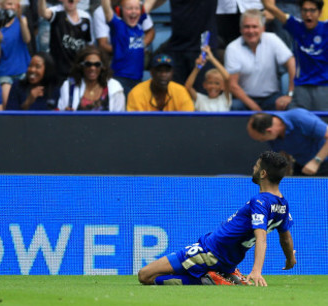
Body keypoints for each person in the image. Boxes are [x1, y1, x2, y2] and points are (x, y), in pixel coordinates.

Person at [138, 151, 296, 286]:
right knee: (154, 275)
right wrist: (290, 259)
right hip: (227, 258)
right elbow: (286, 238)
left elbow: (261, 238)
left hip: (209, 252)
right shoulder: (282, 204)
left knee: (145, 275)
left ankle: (209, 280)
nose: (253, 168)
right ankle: (221, 274)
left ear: (263, 173)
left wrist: (256, 271)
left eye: (256, 165)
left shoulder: (260, 201)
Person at [247, 0, 328, 111]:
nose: (308, 15)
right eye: (304, 11)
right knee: (299, 125)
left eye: (312, 11)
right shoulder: (296, 26)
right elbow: (269, 6)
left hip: (324, 87)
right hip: (302, 87)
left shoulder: (326, 28)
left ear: (319, 12)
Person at [223, 8, 295, 111]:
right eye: (246, 27)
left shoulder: (272, 39)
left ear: (263, 28)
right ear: (240, 29)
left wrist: (290, 94)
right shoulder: (233, 48)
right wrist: (256, 109)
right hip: (245, 100)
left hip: (271, 97)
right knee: (234, 106)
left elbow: (292, 62)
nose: (251, 31)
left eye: (254, 27)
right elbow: (233, 85)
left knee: (289, 105)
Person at [99, 0, 154, 95]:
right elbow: (106, 8)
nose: (133, 12)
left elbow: (151, 1)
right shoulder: (119, 26)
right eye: (129, 9)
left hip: (137, 78)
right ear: (120, 11)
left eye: (136, 8)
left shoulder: (139, 26)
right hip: (120, 78)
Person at [38, 0, 94, 83]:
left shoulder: (86, 18)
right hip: (57, 69)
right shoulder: (57, 12)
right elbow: (43, 13)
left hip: (77, 70)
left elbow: (89, 45)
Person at [248, 110, 328, 176]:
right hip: (302, 165)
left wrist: (316, 162)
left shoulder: (299, 117)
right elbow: (284, 154)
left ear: (269, 131)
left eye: (262, 139)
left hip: (323, 161)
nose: (262, 141)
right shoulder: (272, 137)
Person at [0, 0, 31, 107]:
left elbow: (27, 39)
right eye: (9, 4)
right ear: (1, 5)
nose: (12, 7)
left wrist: (21, 20)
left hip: (22, 70)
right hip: (4, 73)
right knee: (7, 103)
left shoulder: (22, 20)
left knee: (25, 103)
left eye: (15, 4)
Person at [57, 46, 125, 111]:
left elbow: (119, 119)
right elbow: (60, 116)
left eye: (97, 64)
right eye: (88, 64)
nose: (92, 68)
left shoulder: (115, 87)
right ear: (81, 66)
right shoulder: (69, 85)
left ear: (103, 67)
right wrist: (65, 113)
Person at [127, 53, 195, 112]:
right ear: (151, 72)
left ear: (172, 73)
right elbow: (135, 124)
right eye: (159, 71)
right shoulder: (136, 93)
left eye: (167, 71)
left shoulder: (180, 91)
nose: (163, 75)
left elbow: (188, 121)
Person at [184, 45, 232, 112]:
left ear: (223, 86)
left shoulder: (225, 99)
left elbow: (227, 78)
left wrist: (212, 59)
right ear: (204, 85)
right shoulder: (200, 100)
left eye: (217, 83)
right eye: (210, 83)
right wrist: (197, 68)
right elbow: (188, 86)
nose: (213, 86)